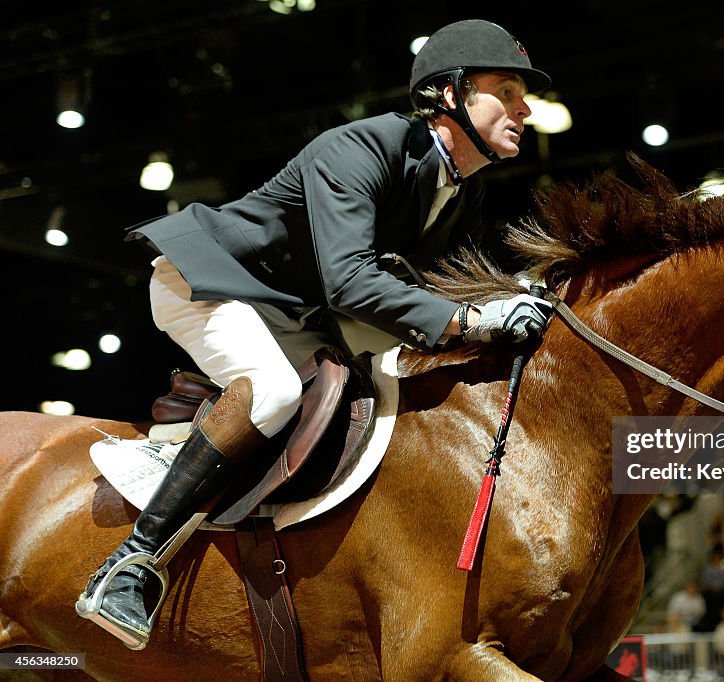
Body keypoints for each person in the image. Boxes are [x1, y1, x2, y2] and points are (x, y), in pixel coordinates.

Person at [76, 18, 553, 648]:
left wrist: (512, 299)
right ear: (450, 93)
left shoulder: (459, 192)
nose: (525, 107)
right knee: (272, 392)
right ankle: (128, 567)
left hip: (292, 311)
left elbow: (435, 287)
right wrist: (468, 319)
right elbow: (353, 283)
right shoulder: (362, 147)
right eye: (508, 89)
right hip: (212, 280)